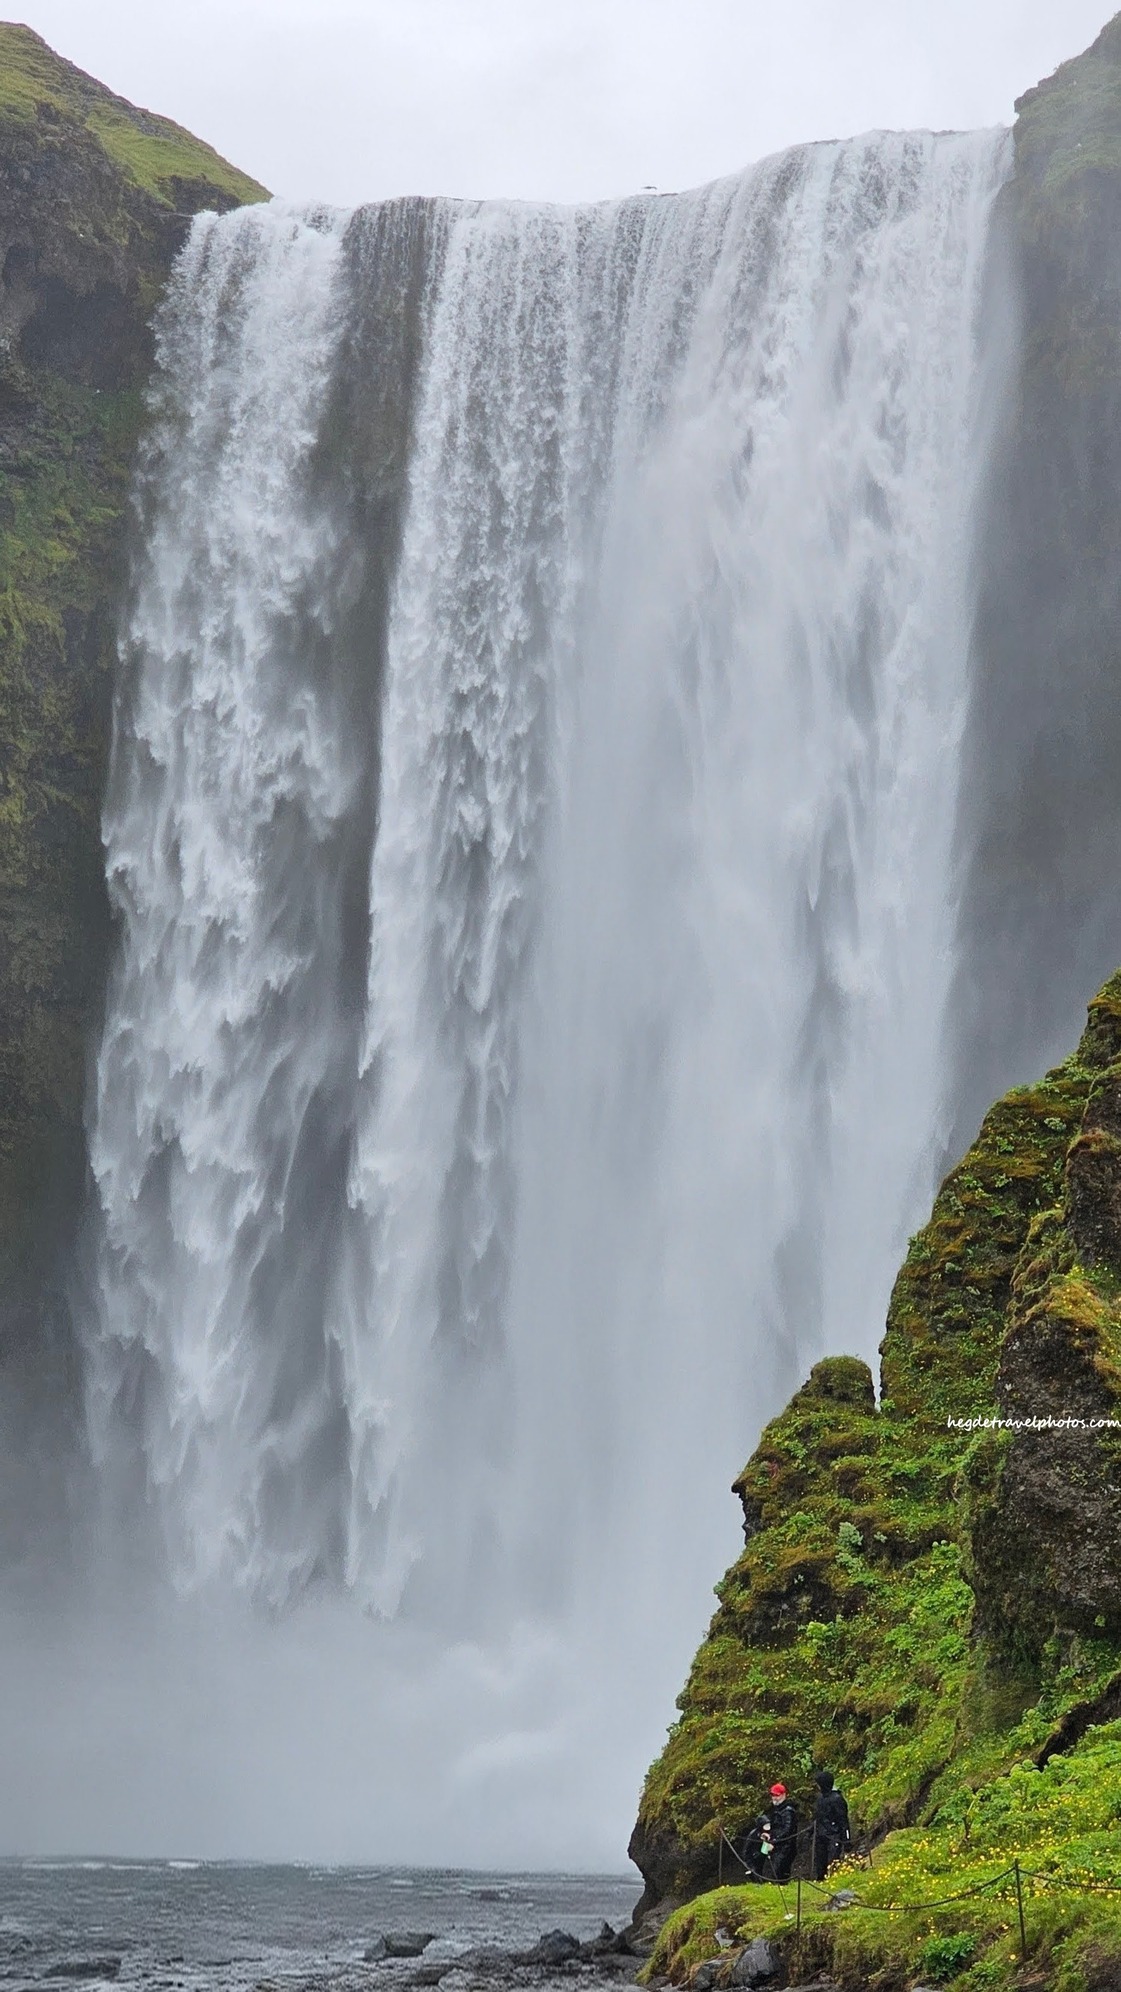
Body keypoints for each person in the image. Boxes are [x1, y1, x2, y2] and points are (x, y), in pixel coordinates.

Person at [811, 1769, 851, 1881]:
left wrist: (847, 1841)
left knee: (833, 1861)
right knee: (820, 1862)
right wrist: (812, 1831)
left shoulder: (837, 1799)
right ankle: (820, 1880)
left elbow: (843, 1821)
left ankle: (832, 1880)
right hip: (821, 1834)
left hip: (834, 1835)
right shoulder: (820, 1799)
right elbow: (818, 1818)